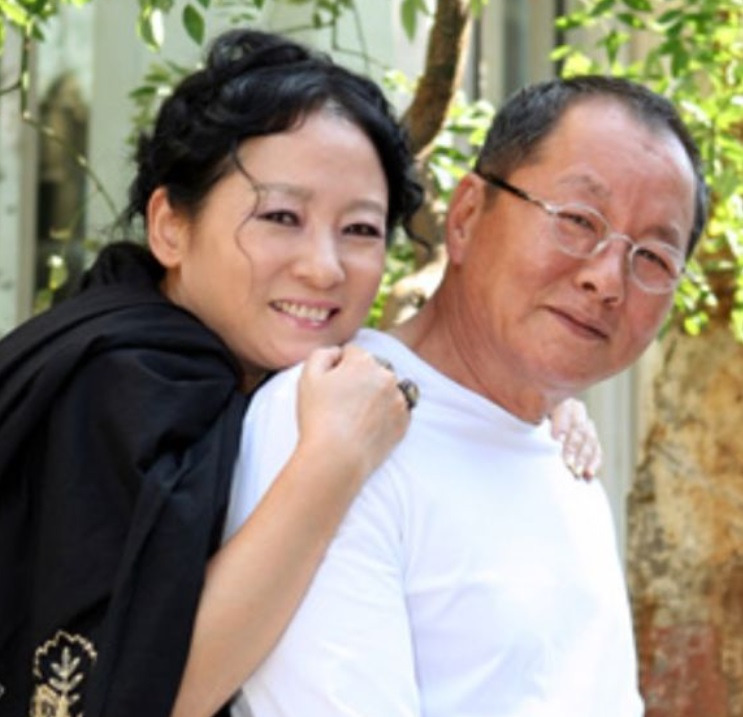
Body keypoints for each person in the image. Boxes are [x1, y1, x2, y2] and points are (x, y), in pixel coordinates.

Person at [0, 28, 599, 717]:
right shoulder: (115, 382)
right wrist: (331, 462)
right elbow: (132, 699)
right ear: (169, 226)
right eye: (281, 216)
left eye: (360, 229)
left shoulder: (235, 367)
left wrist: (521, 409)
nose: (323, 267)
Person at [228, 75, 708, 717]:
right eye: (577, 220)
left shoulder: (566, 456)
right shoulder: (331, 418)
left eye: (652, 258)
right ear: (466, 217)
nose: (607, 279)